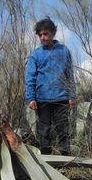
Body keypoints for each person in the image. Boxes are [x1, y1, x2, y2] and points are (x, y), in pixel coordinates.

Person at [25, 17, 75, 155]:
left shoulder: (64, 51)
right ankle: (47, 161)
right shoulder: (36, 54)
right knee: (44, 131)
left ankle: (66, 161)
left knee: (63, 131)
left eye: (45, 34)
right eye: (40, 35)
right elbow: (30, 77)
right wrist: (31, 98)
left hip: (61, 98)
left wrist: (71, 96)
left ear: (53, 33)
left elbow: (69, 75)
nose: (42, 37)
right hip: (42, 99)